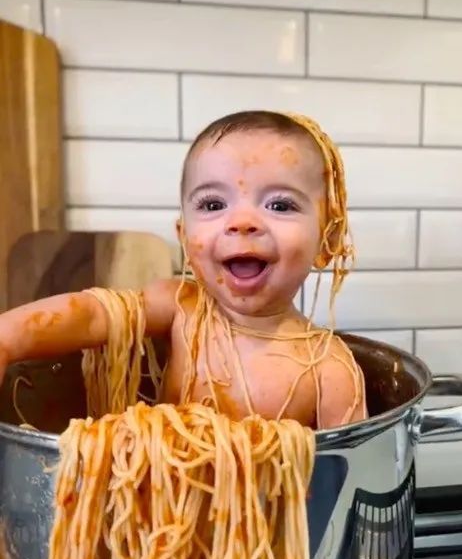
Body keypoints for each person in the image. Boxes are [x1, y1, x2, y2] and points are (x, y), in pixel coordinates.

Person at [0, 111, 367, 429]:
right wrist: (7, 337)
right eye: (213, 204)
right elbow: (94, 314)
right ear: (185, 237)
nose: (242, 222)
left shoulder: (329, 369)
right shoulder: (180, 307)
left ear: (328, 241)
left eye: (280, 205)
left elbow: (351, 474)